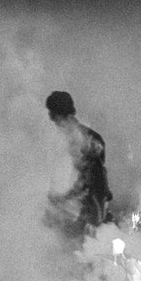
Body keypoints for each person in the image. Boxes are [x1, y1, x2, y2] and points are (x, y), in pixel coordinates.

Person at [45, 91, 113, 235]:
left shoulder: (87, 141)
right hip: (77, 207)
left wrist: (65, 199)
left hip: (86, 211)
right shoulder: (78, 137)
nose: (52, 119)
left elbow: (94, 180)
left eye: (54, 115)